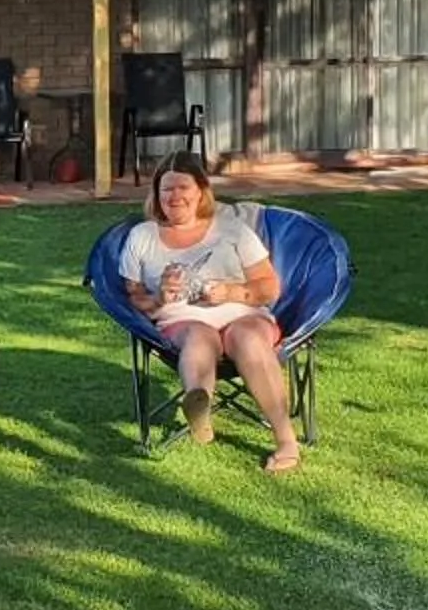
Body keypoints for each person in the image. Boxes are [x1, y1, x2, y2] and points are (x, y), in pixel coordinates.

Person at [116, 151, 301, 472]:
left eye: (182, 188)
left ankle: (286, 441)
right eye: (166, 189)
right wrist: (160, 297)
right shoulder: (142, 236)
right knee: (198, 336)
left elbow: (268, 286)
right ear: (156, 195)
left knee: (247, 338)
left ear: (201, 190)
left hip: (242, 313)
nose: (174, 197)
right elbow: (134, 298)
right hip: (181, 319)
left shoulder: (232, 230)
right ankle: (199, 403)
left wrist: (232, 291)